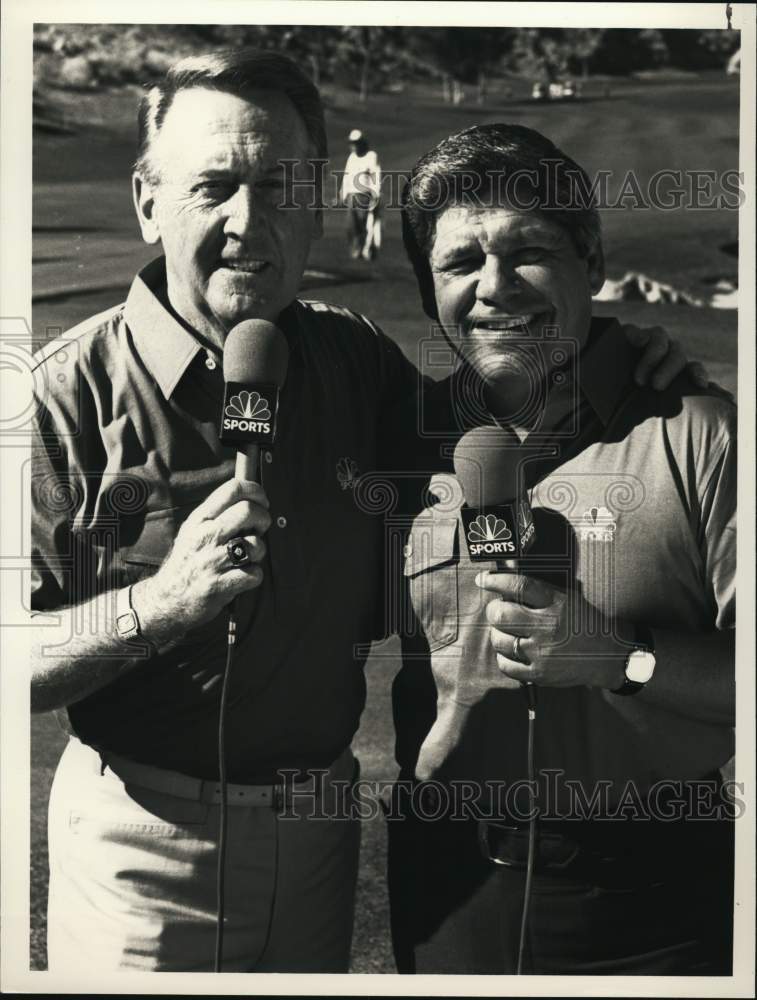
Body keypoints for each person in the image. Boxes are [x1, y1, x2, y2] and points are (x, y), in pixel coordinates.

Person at [30, 49, 700, 974]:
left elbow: (497, 421)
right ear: (148, 202)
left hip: (320, 835)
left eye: (280, 187)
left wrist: (620, 356)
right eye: (213, 187)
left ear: (315, 208)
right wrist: (161, 602)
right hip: (140, 840)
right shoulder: (58, 397)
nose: (247, 221)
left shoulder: (355, 362)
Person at [384, 123, 736, 975]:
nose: (494, 287)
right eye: (460, 263)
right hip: (447, 885)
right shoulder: (398, 439)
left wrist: (620, 658)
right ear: (430, 292)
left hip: (657, 897)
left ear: (592, 260)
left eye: (528, 251)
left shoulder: (702, 435)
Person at [340, 128, 382, 260]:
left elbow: (376, 176)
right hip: (351, 195)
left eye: (356, 143)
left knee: (364, 224)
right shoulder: (352, 157)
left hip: (365, 195)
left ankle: (365, 250)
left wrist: (375, 195)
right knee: (350, 225)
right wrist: (343, 192)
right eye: (352, 143)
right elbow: (346, 176)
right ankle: (356, 249)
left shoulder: (371, 156)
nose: (353, 146)